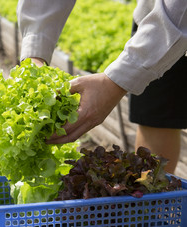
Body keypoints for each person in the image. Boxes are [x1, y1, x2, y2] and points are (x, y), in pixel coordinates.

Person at [17, 0, 187, 173]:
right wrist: (35, 51)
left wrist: (114, 83)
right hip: (156, 17)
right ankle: (155, 197)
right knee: (155, 118)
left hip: (173, 13)